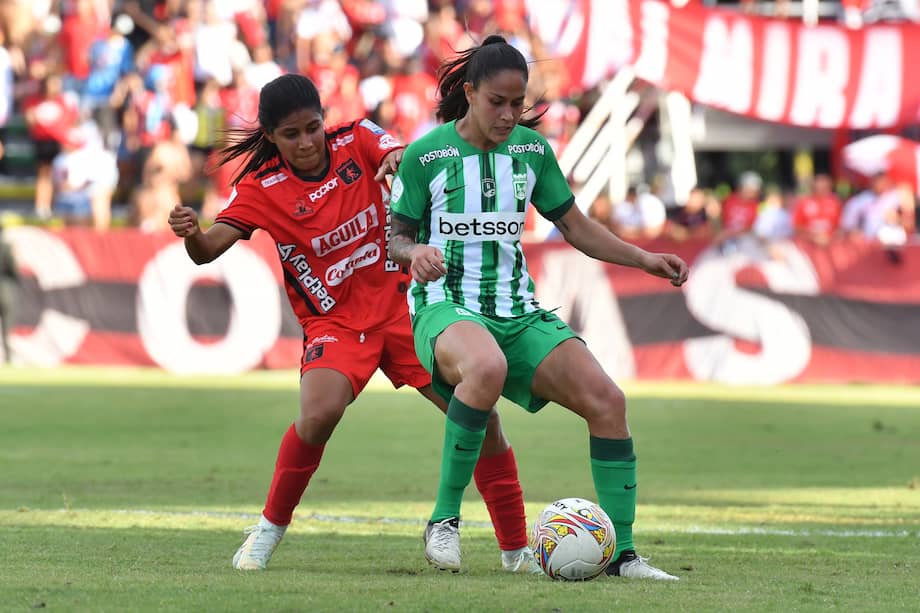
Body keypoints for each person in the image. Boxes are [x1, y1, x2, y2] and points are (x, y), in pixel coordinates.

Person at [167, 74, 536, 574]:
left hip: (406, 309)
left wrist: (393, 159)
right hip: (335, 323)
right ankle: (268, 530)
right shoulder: (260, 188)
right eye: (291, 135)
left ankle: (516, 552)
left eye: (312, 128)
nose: (305, 142)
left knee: (479, 412)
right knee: (319, 414)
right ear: (271, 138)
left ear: (325, 120)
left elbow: (396, 154)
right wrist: (193, 234)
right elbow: (207, 250)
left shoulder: (357, 138)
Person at [387, 35, 689, 580]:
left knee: (608, 401)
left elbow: (574, 226)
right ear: (471, 92)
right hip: (445, 304)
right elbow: (397, 238)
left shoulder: (531, 152)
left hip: (517, 309)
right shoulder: (425, 155)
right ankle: (444, 520)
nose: (508, 114)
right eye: (497, 102)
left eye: (517, 103)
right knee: (484, 367)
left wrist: (643, 259)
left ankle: (623, 556)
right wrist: (417, 253)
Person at [0, 221, 20, 364]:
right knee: (7, 326)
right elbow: (14, 270)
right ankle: (8, 358)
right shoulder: (6, 247)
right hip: (5, 290)